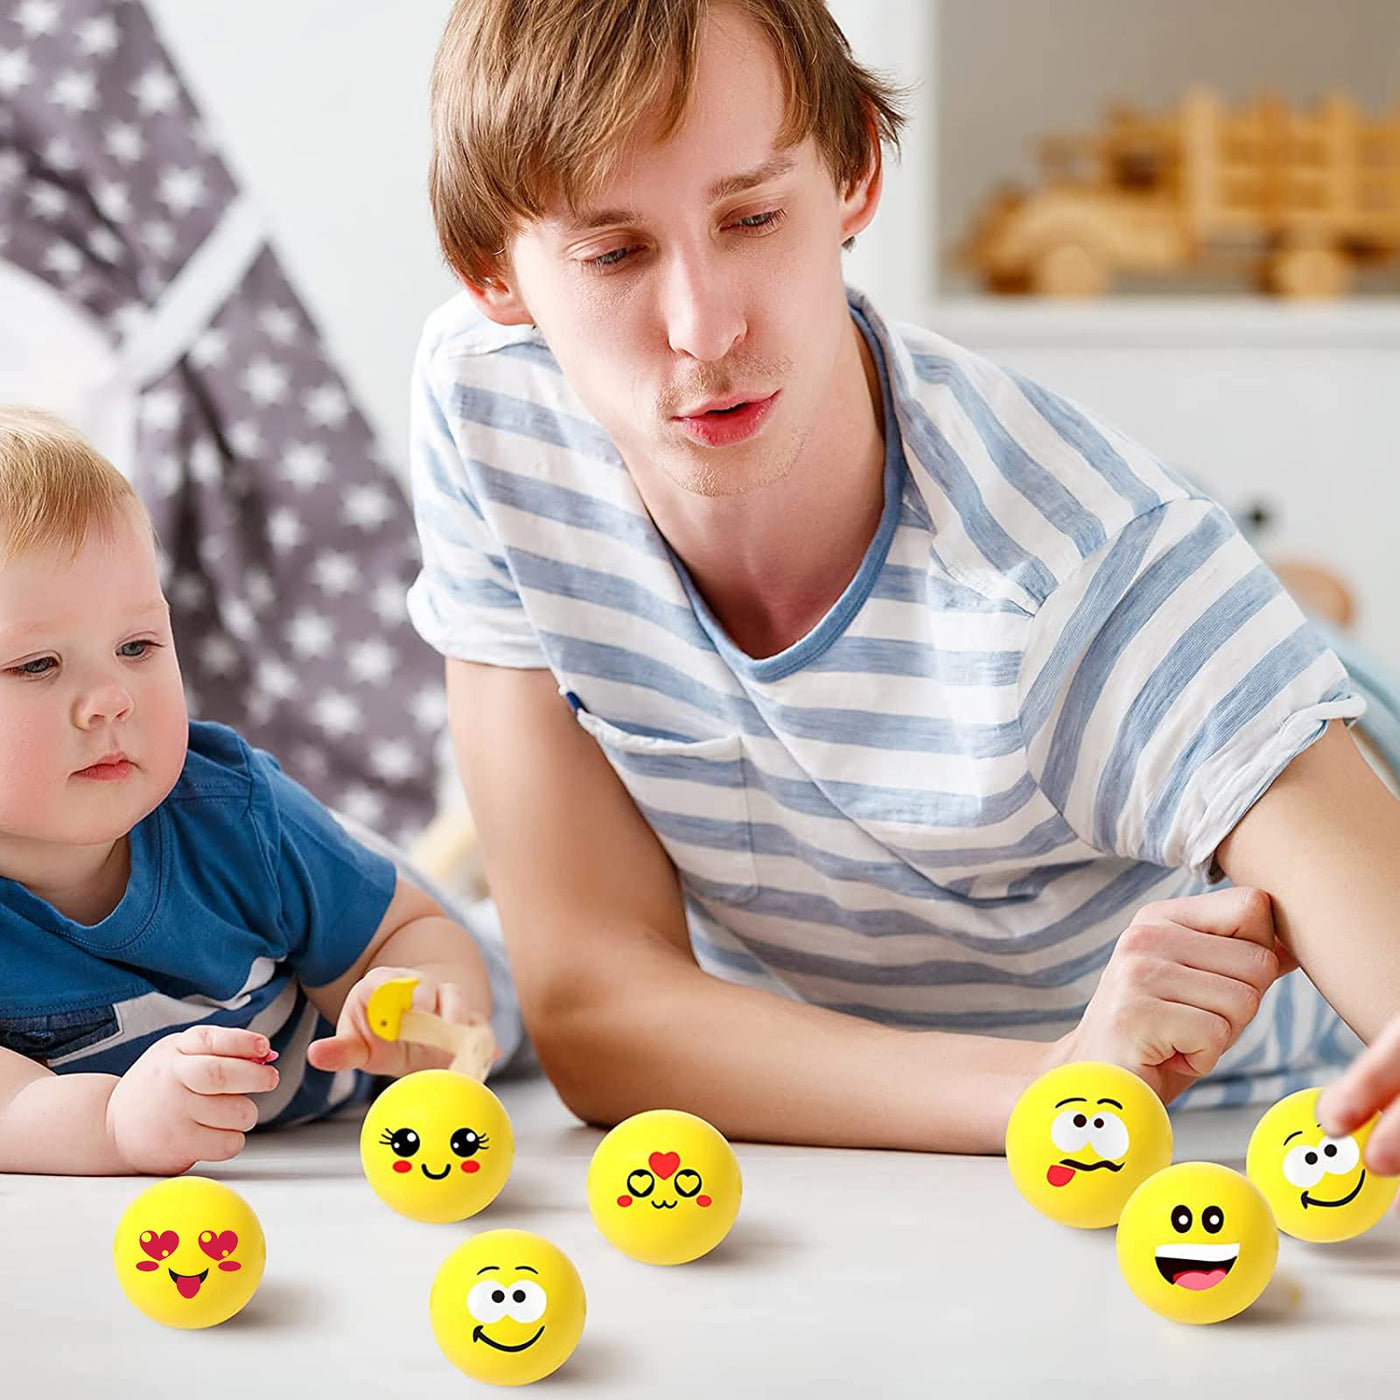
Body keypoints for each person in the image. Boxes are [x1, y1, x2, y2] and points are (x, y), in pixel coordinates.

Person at [408, 0, 1400, 1153]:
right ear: (495, 273)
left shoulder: (1096, 564)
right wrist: (1056, 1086)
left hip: (1223, 1096)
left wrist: (1082, 1092)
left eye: (754, 215)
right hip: (1001, 1066)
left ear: (852, 182)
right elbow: (595, 1013)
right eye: (613, 252)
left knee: (1307, 677)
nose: (704, 326)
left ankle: (1303, 619)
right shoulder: (488, 404)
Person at [0, 407, 518, 1176]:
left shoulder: (232, 814)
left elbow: (402, 934)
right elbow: (11, 1109)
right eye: (38, 665)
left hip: (349, 923)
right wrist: (115, 1123)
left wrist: (421, 995)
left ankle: (474, 855)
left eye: (138, 646)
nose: (110, 698)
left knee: (539, 988)